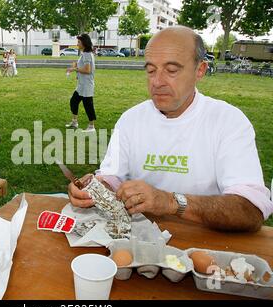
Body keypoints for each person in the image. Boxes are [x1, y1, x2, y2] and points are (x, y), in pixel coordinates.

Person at [68, 26, 273, 232]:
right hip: (138, 243)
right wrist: (96, 187)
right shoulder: (131, 119)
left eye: (172, 70)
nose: (157, 82)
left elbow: (250, 210)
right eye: (150, 70)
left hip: (206, 246)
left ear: (200, 70)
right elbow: (113, 176)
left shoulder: (228, 121)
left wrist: (170, 202)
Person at [65, 34, 96, 133]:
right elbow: (83, 67)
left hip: (87, 85)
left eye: (79, 42)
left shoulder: (87, 54)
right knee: (73, 101)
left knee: (88, 106)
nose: (77, 44)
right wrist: (76, 65)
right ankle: (74, 122)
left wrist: (74, 69)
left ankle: (91, 127)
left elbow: (87, 70)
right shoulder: (85, 53)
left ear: (84, 42)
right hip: (81, 85)